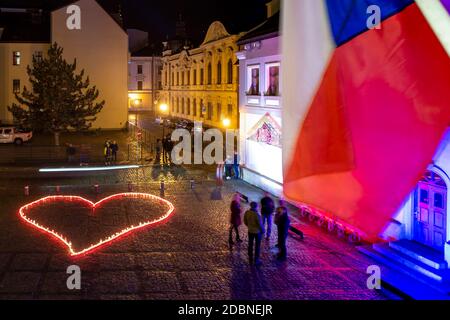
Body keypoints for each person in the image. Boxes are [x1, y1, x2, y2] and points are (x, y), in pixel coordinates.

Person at [244, 202, 263, 266]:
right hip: (257, 232)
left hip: (250, 231)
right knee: (257, 246)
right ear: (256, 207)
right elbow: (260, 225)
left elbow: (245, 221)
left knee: (250, 243)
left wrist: (249, 226)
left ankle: (250, 256)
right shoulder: (256, 214)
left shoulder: (247, 212)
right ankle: (256, 260)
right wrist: (263, 231)